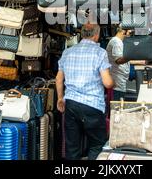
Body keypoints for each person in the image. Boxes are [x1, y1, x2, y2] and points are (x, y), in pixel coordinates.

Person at [56, 24, 114, 160]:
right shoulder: (100, 53)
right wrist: (113, 81)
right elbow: (107, 82)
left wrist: (60, 98)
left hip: (71, 105)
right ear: (96, 35)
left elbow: (59, 78)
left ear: (82, 34)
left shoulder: (68, 52)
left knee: (72, 147)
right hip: (92, 105)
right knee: (96, 146)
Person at [106, 27, 131, 101]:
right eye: (129, 33)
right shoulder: (117, 42)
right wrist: (132, 55)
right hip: (117, 80)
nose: (129, 35)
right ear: (123, 31)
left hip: (120, 79)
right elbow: (118, 60)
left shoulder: (118, 41)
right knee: (117, 105)